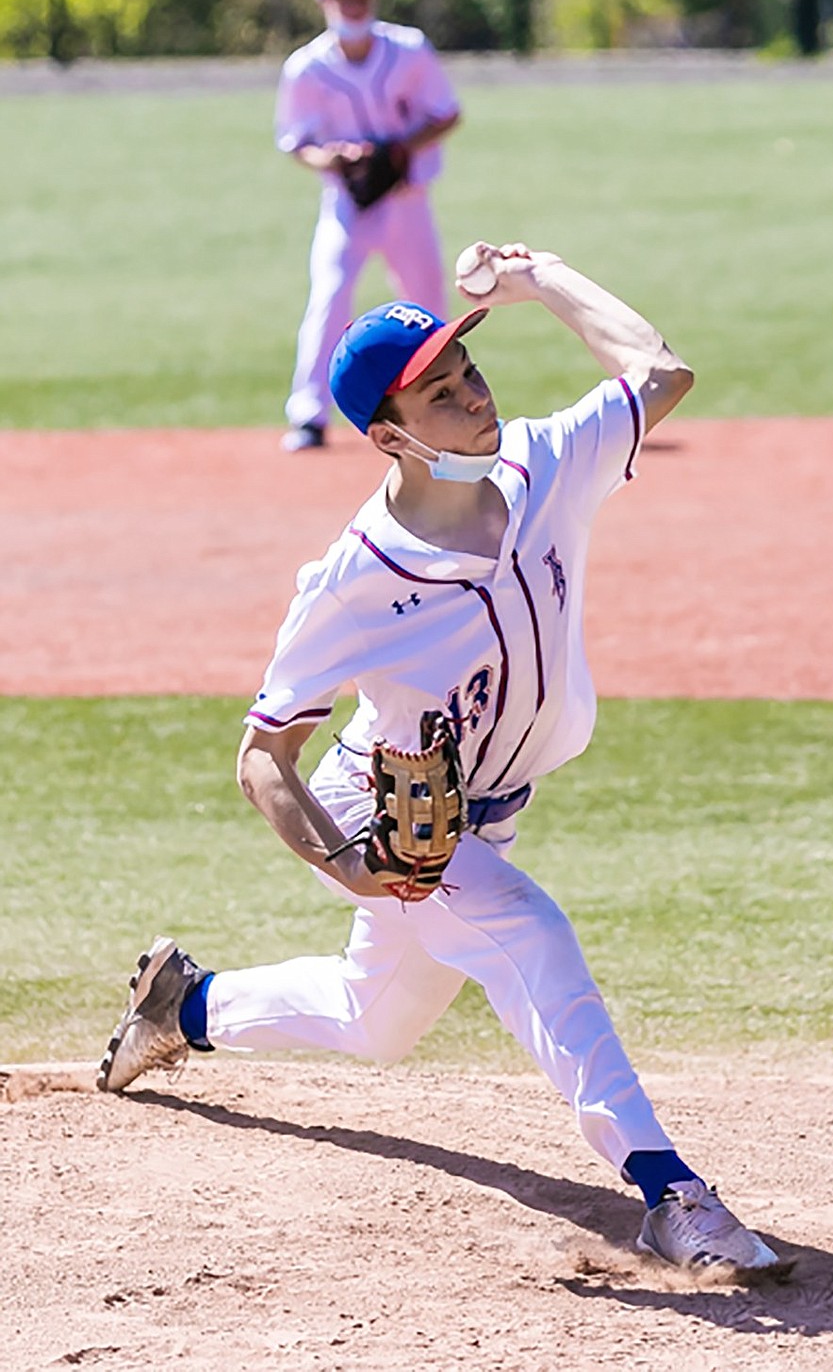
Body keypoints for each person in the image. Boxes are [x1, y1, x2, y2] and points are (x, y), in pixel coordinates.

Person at [97, 243, 786, 1277]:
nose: (473, 397)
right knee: (530, 934)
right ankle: (670, 1192)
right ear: (387, 436)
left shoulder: (546, 462)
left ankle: (183, 1003)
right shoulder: (353, 579)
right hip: (391, 818)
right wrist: (347, 863)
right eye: (440, 395)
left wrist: (540, 276)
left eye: (467, 373)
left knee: (371, 1021)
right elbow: (264, 756)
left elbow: (658, 372)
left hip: (479, 810)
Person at [276, 0, 462, 453]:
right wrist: (336, 158)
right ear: (325, 2)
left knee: (427, 304)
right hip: (347, 204)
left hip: (407, 198)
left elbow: (446, 114)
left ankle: (447, 410)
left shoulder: (409, 49)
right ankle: (309, 416)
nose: (353, 3)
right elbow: (297, 142)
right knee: (330, 297)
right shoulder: (306, 68)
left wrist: (400, 148)